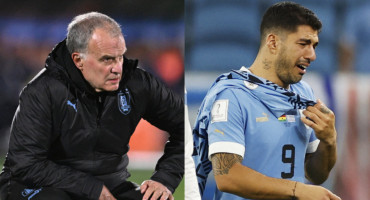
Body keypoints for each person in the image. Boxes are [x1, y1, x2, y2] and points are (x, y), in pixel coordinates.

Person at [0, 12, 183, 200]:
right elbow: (25, 164)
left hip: (108, 185)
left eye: (120, 57)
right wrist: (89, 187)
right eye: (107, 59)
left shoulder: (137, 84)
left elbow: (184, 126)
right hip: (40, 186)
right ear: (78, 60)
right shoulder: (42, 91)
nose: (117, 68)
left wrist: (165, 178)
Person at [192, 2, 341, 200]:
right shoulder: (232, 95)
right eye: (303, 44)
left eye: (314, 45)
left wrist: (328, 141)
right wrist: (298, 190)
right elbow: (227, 175)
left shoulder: (304, 93)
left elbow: (316, 174)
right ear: (273, 42)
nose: (312, 55)